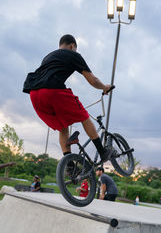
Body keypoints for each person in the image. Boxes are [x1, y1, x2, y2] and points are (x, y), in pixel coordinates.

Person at [23, 34, 113, 162]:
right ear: (72, 46)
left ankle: (68, 166)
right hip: (52, 92)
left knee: (63, 127)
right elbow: (93, 80)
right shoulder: (73, 54)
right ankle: (102, 152)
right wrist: (105, 87)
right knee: (84, 117)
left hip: (35, 95)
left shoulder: (48, 57)